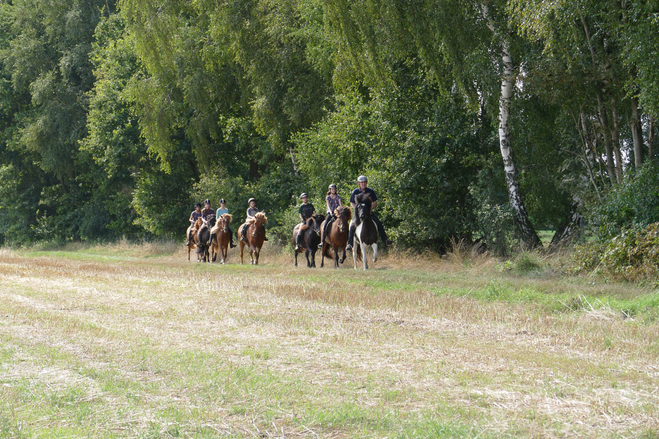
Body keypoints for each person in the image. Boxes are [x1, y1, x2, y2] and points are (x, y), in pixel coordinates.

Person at [346, 175, 392, 251]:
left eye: (364, 182)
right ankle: (350, 244)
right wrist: (357, 209)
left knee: (379, 223)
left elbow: (375, 202)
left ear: (366, 183)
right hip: (358, 213)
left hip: (368, 212)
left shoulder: (370, 191)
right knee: (351, 226)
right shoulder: (355, 192)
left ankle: (385, 240)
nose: (363, 184)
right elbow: (352, 202)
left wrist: (371, 208)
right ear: (359, 183)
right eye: (361, 182)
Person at [318, 184, 342, 249]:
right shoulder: (328, 197)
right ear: (330, 190)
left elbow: (340, 205)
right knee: (325, 225)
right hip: (330, 213)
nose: (333, 190)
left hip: (337, 213)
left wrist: (340, 211)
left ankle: (347, 240)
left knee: (344, 223)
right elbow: (328, 205)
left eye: (334, 189)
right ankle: (322, 241)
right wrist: (331, 212)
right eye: (332, 189)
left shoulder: (338, 196)